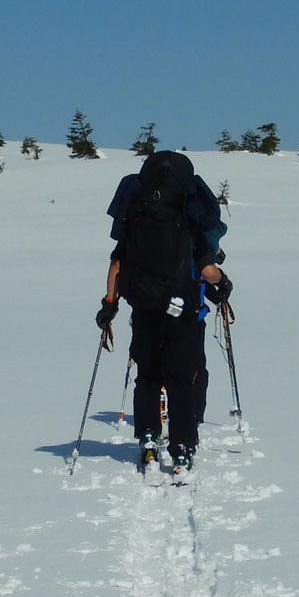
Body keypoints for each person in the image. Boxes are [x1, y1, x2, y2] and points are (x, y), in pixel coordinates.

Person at [95, 150, 231, 475]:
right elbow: (208, 269)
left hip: (144, 308)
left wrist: (109, 306)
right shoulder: (189, 216)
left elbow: (116, 264)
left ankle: (148, 439)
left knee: (149, 376)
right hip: (184, 311)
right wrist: (223, 285)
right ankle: (182, 451)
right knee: (182, 379)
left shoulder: (136, 215)